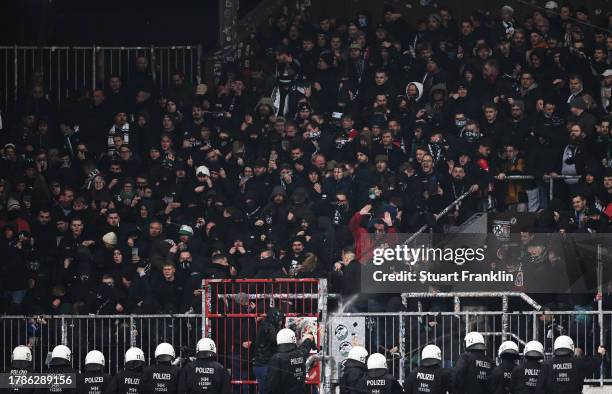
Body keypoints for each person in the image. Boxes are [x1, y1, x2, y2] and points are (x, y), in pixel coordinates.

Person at [535, 335, 606, 394]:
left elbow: (539, 388)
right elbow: (594, 363)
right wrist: (600, 354)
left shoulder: (546, 364)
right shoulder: (578, 362)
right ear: (571, 347)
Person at [264, 328, 315, 394]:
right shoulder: (300, 354)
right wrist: (308, 339)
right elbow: (305, 347)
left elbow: (270, 386)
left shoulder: (276, 359)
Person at [251, 308, 284, 394]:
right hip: (265, 364)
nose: (280, 322)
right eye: (279, 319)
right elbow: (276, 340)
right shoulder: (269, 326)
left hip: (260, 363)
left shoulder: (264, 325)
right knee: (267, 390)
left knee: (264, 389)